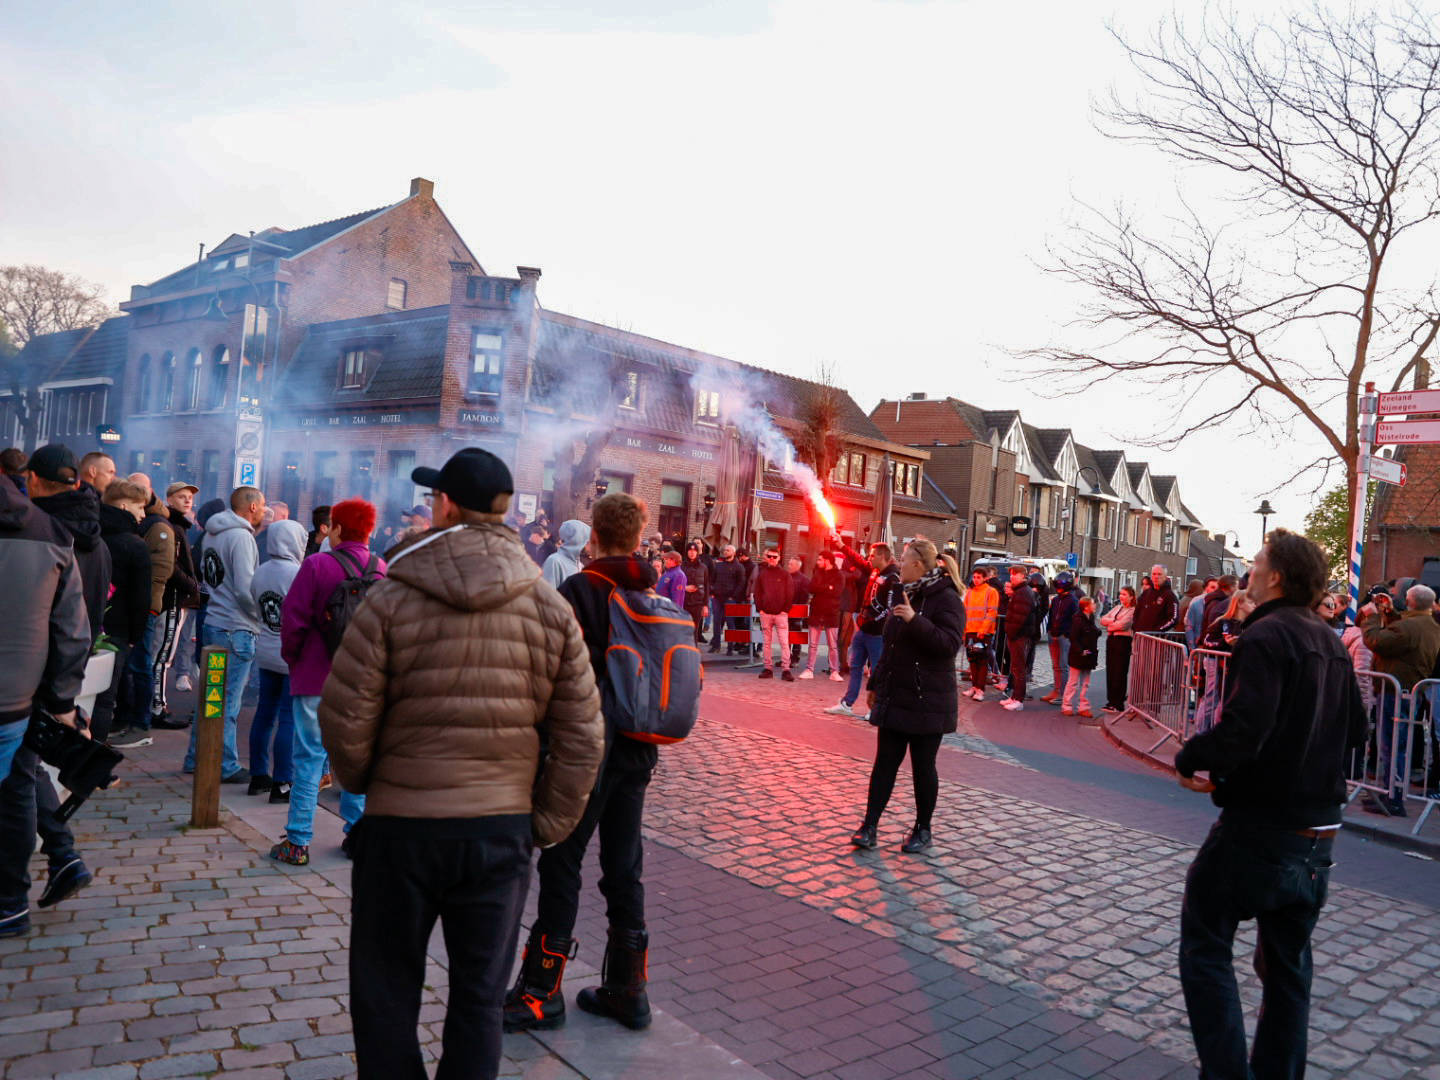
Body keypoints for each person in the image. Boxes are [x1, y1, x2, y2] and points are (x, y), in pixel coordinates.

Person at [320, 448, 603, 1080]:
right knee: (478, 1000)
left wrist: (370, 784)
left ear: (445, 505)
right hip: (498, 830)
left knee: (386, 991)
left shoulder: (391, 598)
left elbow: (345, 713)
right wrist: (542, 824)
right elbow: (583, 733)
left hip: (402, 829)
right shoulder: (548, 606)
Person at [1173, 529, 1366, 1080]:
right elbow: (1358, 729)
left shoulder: (1266, 636)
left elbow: (1243, 730)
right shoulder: (1328, 639)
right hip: (1320, 832)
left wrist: (1192, 758)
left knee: (1206, 943)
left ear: (1276, 575)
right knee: (1287, 969)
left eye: (1257, 562)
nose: (1250, 570)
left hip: (1261, 828)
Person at [505, 491, 677, 1035]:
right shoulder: (650, 590)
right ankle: (630, 989)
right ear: (638, 535)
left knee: (562, 860)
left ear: (595, 536)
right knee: (624, 865)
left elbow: (548, 668)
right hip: (638, 745)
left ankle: (539, 992)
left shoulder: (581, 589)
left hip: (586, 748)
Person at [272, 499, 387, 864]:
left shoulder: (317, 564)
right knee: (357, 760)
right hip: (362, 682)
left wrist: (295, 660)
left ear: (336, 528)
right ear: (368, 530)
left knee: (308, 760)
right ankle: (356, 834)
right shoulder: (380, 567)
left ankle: (298, 842)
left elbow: (293, 622)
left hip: (316, 679)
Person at [0, 473, 90, 939]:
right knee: (16, 795)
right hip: (18, 696)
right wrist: (61, 699)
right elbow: (72, 629)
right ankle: (11, 903)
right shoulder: (50, 532)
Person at [21, 445, 108, 912]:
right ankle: (61, 855)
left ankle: (59, 855)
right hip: (65, 667)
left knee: (24, 767)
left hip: (25, 668)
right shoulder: (98, 538)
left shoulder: (35, 531)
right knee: (26, 764)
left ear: (33, 480)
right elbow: (88, 614)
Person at [849, 541, 964, 854]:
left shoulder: (946, 598)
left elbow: (948, 645)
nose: (900, 565)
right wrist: (875, 684)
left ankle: (922, 829)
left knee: (923, 767)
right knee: (885, 762)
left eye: (904, 560)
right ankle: (869, 825)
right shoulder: (905, 592)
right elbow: (891, 644)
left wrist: (916, 620)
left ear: (919, 565)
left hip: (929, 699)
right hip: (896, 693)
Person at [183, 486, 265, 784]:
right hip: (236, 627)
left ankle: (195, 758)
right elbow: (246, 589)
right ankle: (226, 764)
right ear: (252, 507)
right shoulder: (241, 537)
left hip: (215, 622)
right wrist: (260, 618)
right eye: (262, 505)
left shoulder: (213, 533)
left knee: (209, 697)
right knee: (228, 702)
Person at [1361, 583, 1440, 816]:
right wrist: (1389, 613)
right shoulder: (1430, 625)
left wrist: (1372, 618)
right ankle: (1392, 795)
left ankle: (1392, 798)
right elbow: (1402, 632)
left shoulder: (1410, 628)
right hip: (1408, 690)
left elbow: (1376, 641)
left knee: (1392, 745)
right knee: (1398, 744)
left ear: (1411, 601)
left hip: (1395, 691)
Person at [248, 519, 307, 802]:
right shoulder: (298, 573)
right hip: (290, 654)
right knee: (288, 719)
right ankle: (283, 782)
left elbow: (252, 601)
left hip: (266, 648)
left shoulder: (261, 571)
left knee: (264, 713)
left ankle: (258, 774)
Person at [96, 480, 152, 747]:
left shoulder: (89, 533)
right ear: (123, 505)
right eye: (139, 508)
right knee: (106, 693)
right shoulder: (135, 545)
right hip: (117, 629)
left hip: (83, 624)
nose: (143, 514)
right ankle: (93, 754)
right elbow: (141, 596)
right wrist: (136, 634)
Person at [826, 541, 901, 715]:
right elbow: (858, 560)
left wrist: (874, 619)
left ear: (882, 556)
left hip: (877, 634)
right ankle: (847, 703)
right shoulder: (874, 570)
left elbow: (890, 608)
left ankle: (875, 707)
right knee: (855, 666)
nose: (869, 558)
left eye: (873, 555)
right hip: (863, 630)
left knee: (877, 671)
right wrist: (840, 545)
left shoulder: (893, 577)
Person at [150, 481, 202, 724]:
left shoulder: (178, 525)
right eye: (181, 496)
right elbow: (169, 565)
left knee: (161, 654)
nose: (188, 500)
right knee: (162, 655)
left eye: (190, 496)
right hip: (171, 600)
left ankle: (153, 705)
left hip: (173, 599)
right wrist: (191, 585)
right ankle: (157, 709)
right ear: (169, 500)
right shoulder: (170, 526)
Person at [1193, 592, 1255, 734]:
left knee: (1226, 700)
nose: (1254, 605)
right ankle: (1200, 733)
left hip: (1231, 665)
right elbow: (1207, 641)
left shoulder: (1249, 624)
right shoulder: (1222, 621)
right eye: (1251, 603)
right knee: (1211, 698)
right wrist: (1224, 643)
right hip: (1214, 662)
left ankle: (1216, 734)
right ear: (1240, 603)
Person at [752, 546, 796, 680]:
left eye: (774, 557)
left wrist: (785, 610)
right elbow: (757, 592)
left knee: (784, 642)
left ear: (779, 558)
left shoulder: (785, 575)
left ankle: (786, 669)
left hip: (780, 614)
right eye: (769, 556)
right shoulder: (762, 574)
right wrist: (760, 608)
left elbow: (790, 593)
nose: (771, 559)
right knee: (766, 642)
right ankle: (767, 668)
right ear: (766, 557)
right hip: (766, 613)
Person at [1001, 567, 1038, 712]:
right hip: (1016, 634)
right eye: (1011, 574)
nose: (1011, 577)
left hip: (1019, 635)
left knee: (1019, 668)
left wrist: (1011, 631)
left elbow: (1019, 617)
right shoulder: (1020, 591)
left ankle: (1018, 699)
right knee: (1015, 667)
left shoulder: (1023, 592)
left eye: (1014, 574)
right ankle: (1014, 696)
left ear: (1022, 576)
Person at [803, 551, 845, 680]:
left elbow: (837, 592)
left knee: (832, 645)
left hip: (831, 613)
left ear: (827, 560)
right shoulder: (818, 572)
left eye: (820, 559)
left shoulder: (839, 575)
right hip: (817, 611)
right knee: (813, 644)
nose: (818, 562)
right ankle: (809, 669)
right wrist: (828, 587)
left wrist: (821, 588)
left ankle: (834, 671)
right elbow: (810, 587)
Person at [961, 567, 1000, 701]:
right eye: (974, 577)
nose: (976, 580)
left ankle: (980, 689)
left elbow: (992, 612)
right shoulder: (970, 592)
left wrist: (983, 630)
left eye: (979, 577)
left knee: (982, 661)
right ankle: (974, 686)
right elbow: (964, 612)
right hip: (970, 631)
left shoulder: (991, 592)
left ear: (985, 578)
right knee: (972, 660)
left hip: (983, 632)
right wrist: (964, 631)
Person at [1040, 573, 1078, 705]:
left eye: (1061, 585)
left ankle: (1063, 694)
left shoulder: (1072, 600)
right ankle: (1056, 690)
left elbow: (1075, 619)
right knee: (1055, 665)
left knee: (1063, 665)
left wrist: (1067, 633)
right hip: (1053, 634)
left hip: (1064, 636)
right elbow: (1051, 616)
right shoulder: (1056, 600)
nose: (1059, 588)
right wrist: (1049, 629)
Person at [1100, 586, 1137, 713]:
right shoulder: (1117, 608)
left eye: (1125, 594)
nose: (1121, 596)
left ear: (1131, 597)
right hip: (1111, 640)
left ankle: (1118, 703)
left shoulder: (1133, 610)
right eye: (1120, 594)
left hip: (1123, 642)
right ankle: (1110, 701)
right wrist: (1114, 621)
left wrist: (1111, 626)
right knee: (1110, 671)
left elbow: (1124, 624)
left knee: (1119, 672)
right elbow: (1103, 619)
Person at [1061, 597, 1100, 718]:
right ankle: (1067, 705)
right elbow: (1073, 637)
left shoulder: (1091, 617)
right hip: (1079, 655)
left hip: (1089, 654)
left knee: (1085, 682)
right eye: (1093, 603)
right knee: (1073, 682)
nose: (1095, 605)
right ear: (1086, 607)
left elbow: (1093, 632)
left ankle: (1083, 707)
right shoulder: (1077, 620)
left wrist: (1097, 632)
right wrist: (1081, 650)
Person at [710, 544, 747, 655]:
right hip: (717, 597)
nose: (725, 552)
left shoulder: (739, 567)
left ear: (733, 552)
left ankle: (730, 647)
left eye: (728, 550)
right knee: (716, 621)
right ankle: (716, 645)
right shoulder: (719, 565)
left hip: (730, 598)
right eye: (725, 550)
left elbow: (741, 583)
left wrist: (733, 596)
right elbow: (712, 579)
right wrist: (712, 592)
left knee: (730, 623)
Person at [542, 519, 591, 588]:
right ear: (578, 541)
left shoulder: (580, 565)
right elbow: (546, 595)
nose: (591, 545)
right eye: (587, 541)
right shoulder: (554, 561)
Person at [680, 542, 711, 645]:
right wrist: (684, 588)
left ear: (697, 552)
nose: (692, 553)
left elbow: (706, 586)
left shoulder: (703, 567)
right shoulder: (681, 566)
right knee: (683, 629)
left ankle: (693, 654)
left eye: (694, 551)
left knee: (695, 630)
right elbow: (674, 585)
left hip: (698, 603)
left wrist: (705, 605)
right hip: (683, 602)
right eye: (690, 550)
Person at [1134, 564, 1180, 633]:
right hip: (1141, 636)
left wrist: (1158, 630)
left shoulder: (1170, 596)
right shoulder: (1146, 593)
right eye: (1154, 574)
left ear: (1165, 577)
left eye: (1159, 574)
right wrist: (1135, 627)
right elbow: (1137, 611)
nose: (1156, 577)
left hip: (1156, 638)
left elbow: (1173, 618)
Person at [787, 554, 810, 669]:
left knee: (796, 635)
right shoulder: (786, 576)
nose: (788, 566)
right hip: (786, 611)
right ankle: (786, 658)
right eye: (789, 564)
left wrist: (798, 608)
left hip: (797, 612)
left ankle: (795, 658)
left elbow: (805, 597)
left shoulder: (803, 579)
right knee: (786, 636)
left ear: (797, 566)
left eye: (791, 564)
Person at [1184, 577, 1220, 650]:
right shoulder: (1196, 602)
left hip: (1214, 646)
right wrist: (1192, 646)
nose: (1215, 590)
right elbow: (1188, 625)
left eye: (1217, 588)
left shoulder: (1221, 604)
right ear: (1206, 589)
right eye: (1212, 587)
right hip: (1199, 644)